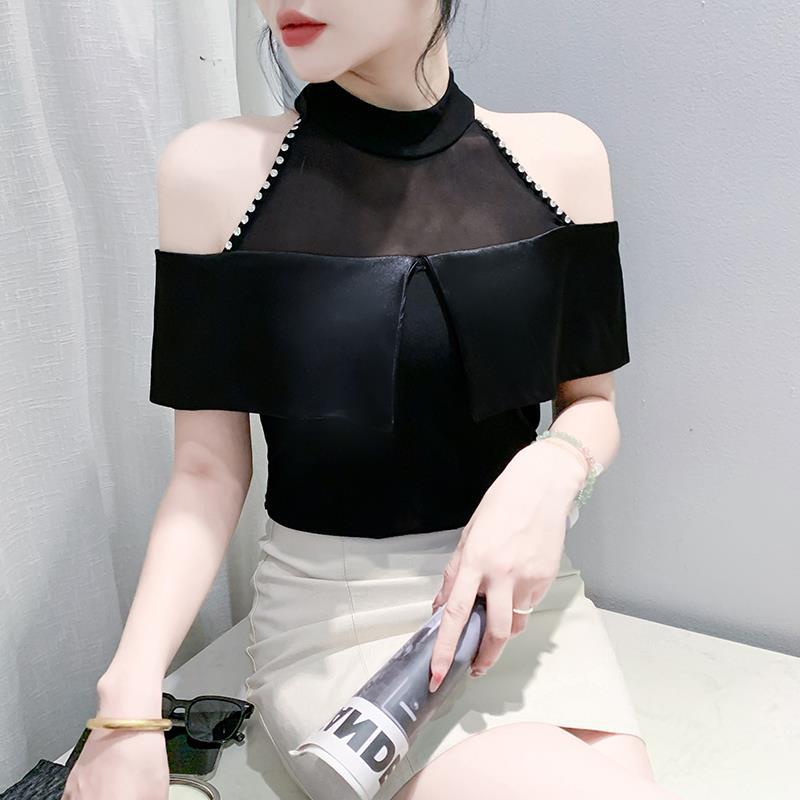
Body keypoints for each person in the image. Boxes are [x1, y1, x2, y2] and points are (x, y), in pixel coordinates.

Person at [63, 2, 684, 799]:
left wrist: (550, 470)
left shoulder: (564, 157)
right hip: (338, 625)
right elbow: (207, 472)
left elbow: (591, 404)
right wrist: (128, 696)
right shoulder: (213, 173)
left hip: (519, 604)